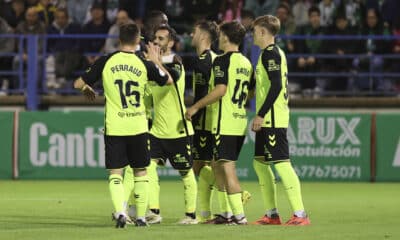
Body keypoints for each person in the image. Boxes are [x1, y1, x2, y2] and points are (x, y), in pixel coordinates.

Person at [73, 22, 173, 228]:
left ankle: (120, 212)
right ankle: (142, 217)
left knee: (116, 173)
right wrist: (156, 61)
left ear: (119, 40)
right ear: (138, 40)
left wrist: (86, 90)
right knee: (141, 172)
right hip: (138, 125)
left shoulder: (106, 61)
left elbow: (78, 83)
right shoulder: (143, 64)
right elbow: (169, 81)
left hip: (115, 126)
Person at [186, 21, 252, 225]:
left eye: (221, 35)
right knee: (216, 165)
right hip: (239, 121)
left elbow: (220, 90)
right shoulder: (247, 63)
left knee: (227, 169)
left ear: (224, 37)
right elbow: (250, 91)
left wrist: (196, 106)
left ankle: (239, 216)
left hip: (225, 123)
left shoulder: (222, 61)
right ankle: (225, 214)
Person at [250, 15, 310, 226]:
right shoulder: (270, 54)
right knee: (259, 163)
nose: (253, 34)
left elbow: (276, 86)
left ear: (263, 32)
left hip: (273, 118)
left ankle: (301, 214)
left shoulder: (270, 54)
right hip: (269, 119)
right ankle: (272, 214)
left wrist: (261, 114)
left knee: (282, 164)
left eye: (255, 30)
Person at [146, 25, 198, 225]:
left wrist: (154, 61)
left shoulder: (176, 62)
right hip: (157, 130)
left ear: (171, 42)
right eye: (155, 38)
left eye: (161, 38)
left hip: (178, 130)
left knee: (186, 172)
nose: (157, 41)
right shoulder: (152, 65)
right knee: (148, 167)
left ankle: (191, 215)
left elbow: (169, 80)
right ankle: (154, 211)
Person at [190, 20, 219, 222]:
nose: (191, 34)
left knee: (194, 169)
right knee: (207, 166)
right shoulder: (216, 58)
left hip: (203, 123)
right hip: (215, 121)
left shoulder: (202, 61)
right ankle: (204, 213)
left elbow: (201, 95)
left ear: (202, 36)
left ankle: (190, 212)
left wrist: (192, 118)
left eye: (194, 31)